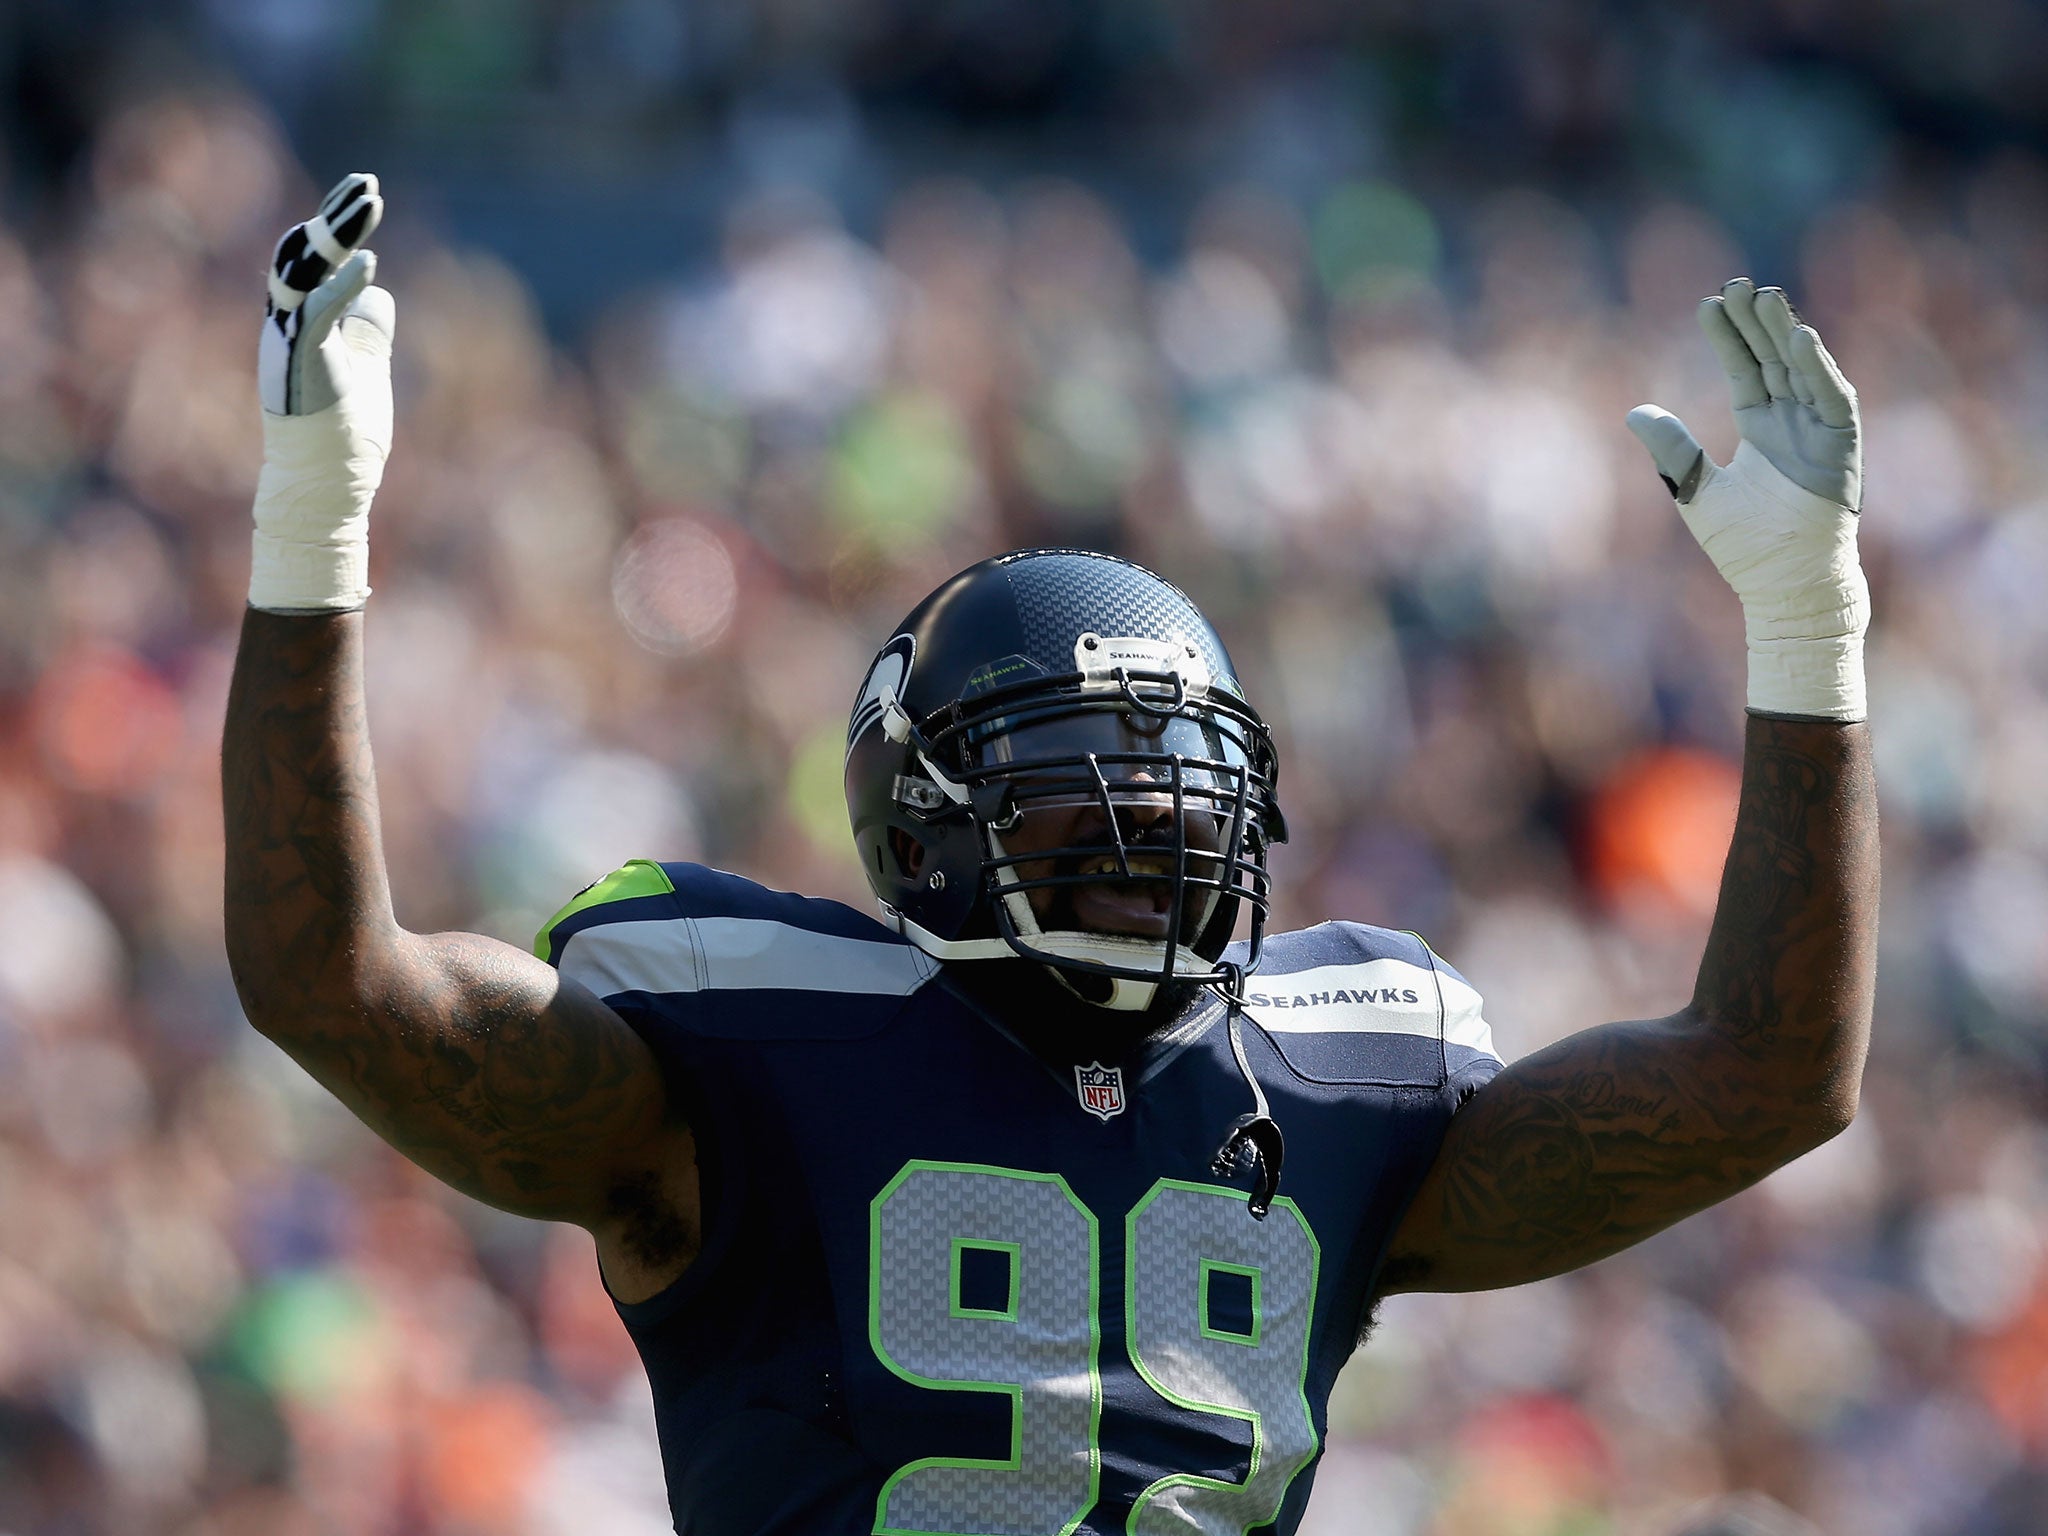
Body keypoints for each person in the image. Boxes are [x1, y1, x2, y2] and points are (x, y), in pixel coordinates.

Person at [222, 178, 1877, 1536]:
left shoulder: (1344, 1078)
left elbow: (1770, 1077)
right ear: (923, 822)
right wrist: (316, 525)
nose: (1156, 843)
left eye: (1183, 802)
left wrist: (1810, 631)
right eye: (1087, 809)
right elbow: (332, 980)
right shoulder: (748, 1047)